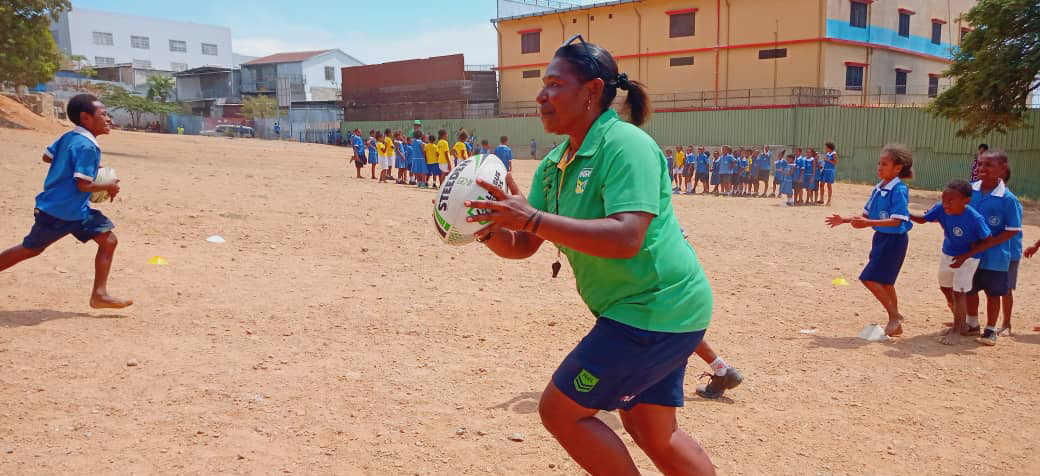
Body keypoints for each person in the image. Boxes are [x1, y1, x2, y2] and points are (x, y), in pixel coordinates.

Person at [466, 36, 717, 476]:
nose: (542, 96)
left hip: (654, 307)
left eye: (554, 84)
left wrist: (531, 219)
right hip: (648, 311)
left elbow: (627, 237)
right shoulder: (556, 164)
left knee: (560, 411)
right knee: (651, 429)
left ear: (592, 90)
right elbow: (524, 245)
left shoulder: (626, 146)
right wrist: (487, 229)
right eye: (542, 86)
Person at [0, 94, 131, 309]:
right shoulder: (88, 147)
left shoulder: (70, 136)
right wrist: (109, 186)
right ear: (86, 118)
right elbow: (83, 186)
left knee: (108, 241)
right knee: (30, 249)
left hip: (77, 211)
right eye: (103, 114)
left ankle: (99, 295)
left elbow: (47, 157)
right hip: (58, 212)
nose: (108, 118)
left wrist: (75, 164)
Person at [826, 144, 914, 337]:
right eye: (879, 163)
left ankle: (895, 316)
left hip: (895, 240)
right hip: (881, 238)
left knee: (868, 278)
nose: (879, 167)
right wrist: (845, 220)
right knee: (886, 282)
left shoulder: (898, 189)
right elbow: (864, 215)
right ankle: (895, 321)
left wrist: (868, 223)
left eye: (885, 164)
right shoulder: (878, 188)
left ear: (897, 168)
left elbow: (897, 220)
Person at [909, 180, 991, 345]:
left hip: (968, 258)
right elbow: (924, 219)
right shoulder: (942, 208)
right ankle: (961, 323)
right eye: (943, 199)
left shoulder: (974, 218)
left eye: (950, 201)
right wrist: (904, 213)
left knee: (959, 292)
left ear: (966, 200)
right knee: (945, 287)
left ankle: (956, 331)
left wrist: (965, 256)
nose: (945, 204)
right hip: (949, 253)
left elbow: (988, 240)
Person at [958, 151, 1022, 345]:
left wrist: (987, 243)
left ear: (1002, 169)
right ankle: (972, 323)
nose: (981, 169)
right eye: (979, 165)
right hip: (970, 253)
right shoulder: (969, 191)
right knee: (969, 289)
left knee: (993, 293)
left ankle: (991, 329)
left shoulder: (1008, 199)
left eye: (988, 165)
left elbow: (1012, 230)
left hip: (996, 256)